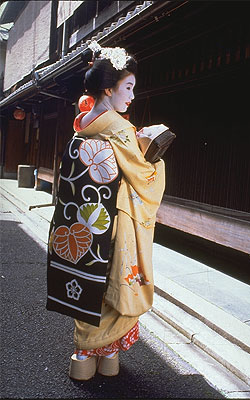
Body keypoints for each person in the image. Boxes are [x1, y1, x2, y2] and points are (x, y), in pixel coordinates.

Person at [46, 41, 166, 380]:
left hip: (83, 218)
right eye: (127, 88)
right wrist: (154, 155)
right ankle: (109, 354)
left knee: (89, 274)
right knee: (118, 279)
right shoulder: (119, 128)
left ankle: (83, 353)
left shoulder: (84, 123)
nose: (131, 96)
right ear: (109, 89)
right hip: (116, 219)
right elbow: (143, 177)